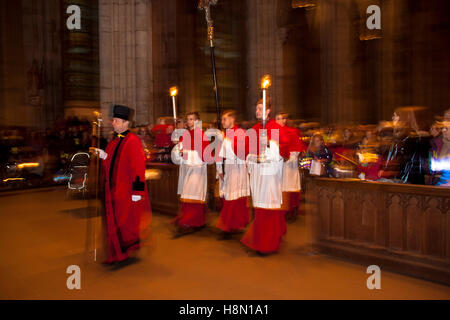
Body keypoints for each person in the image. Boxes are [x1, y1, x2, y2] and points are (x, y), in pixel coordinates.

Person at [91, 104, 152, 264]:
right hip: (113, 190)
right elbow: (112, 162)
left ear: (126, 123)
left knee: (123, 224)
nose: (113, 123)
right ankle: (116, 254)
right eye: (114, 120)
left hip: (125, 191)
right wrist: (103, 155)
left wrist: (138, 193)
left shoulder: (132, 141)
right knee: (115, 222)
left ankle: (121, 254)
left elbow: (138, 168)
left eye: (117, 121)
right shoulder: (115, 141)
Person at [241, 100, 286, 255]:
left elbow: (283, 152)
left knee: (268, 208)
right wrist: (251, 158)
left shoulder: (275, 128)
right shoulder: (254, 129)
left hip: (270, 174)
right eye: (256, 109)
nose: (257, 112)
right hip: (258, 174)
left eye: (260, 109)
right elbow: (248, 152)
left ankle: (267, 245)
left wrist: (269, 143)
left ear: (268, 111)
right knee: (259, 209)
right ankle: (259, 241)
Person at [171, 111, 210, 237]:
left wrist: (187, 153)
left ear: (197, 121)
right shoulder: (185, 135)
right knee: (187, 195)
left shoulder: (201, 135)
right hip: (187, 170)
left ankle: (191, 222)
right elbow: (179, 155)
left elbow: (206, 155)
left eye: (192, 119)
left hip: (197, 171)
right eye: (188, 119)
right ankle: (192, 220)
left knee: (193, 196)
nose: (189, 121)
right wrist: (178, 148)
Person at [215, 110, 250, 239]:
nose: (222, 122)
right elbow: (219, 153)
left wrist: (227, 141)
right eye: (222, 119)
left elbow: (242, 152)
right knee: (227, 198)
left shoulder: (240, 133)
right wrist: (219, 170)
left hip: (237, 169)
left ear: (232, 119)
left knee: (233, 199)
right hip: (227, 169)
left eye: (225, 119)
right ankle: (231, 225)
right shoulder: (225, 134)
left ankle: (227, 227)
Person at [275, 111, 306, 221]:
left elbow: (296, 150)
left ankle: (292, 210)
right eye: (277, 118)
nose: (280, 121)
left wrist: (287, 159)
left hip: (289, 166)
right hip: (277, 166)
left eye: (282, 118)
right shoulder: (273, 133)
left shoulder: (292, 132)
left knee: (290, 187)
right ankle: (282, 211)